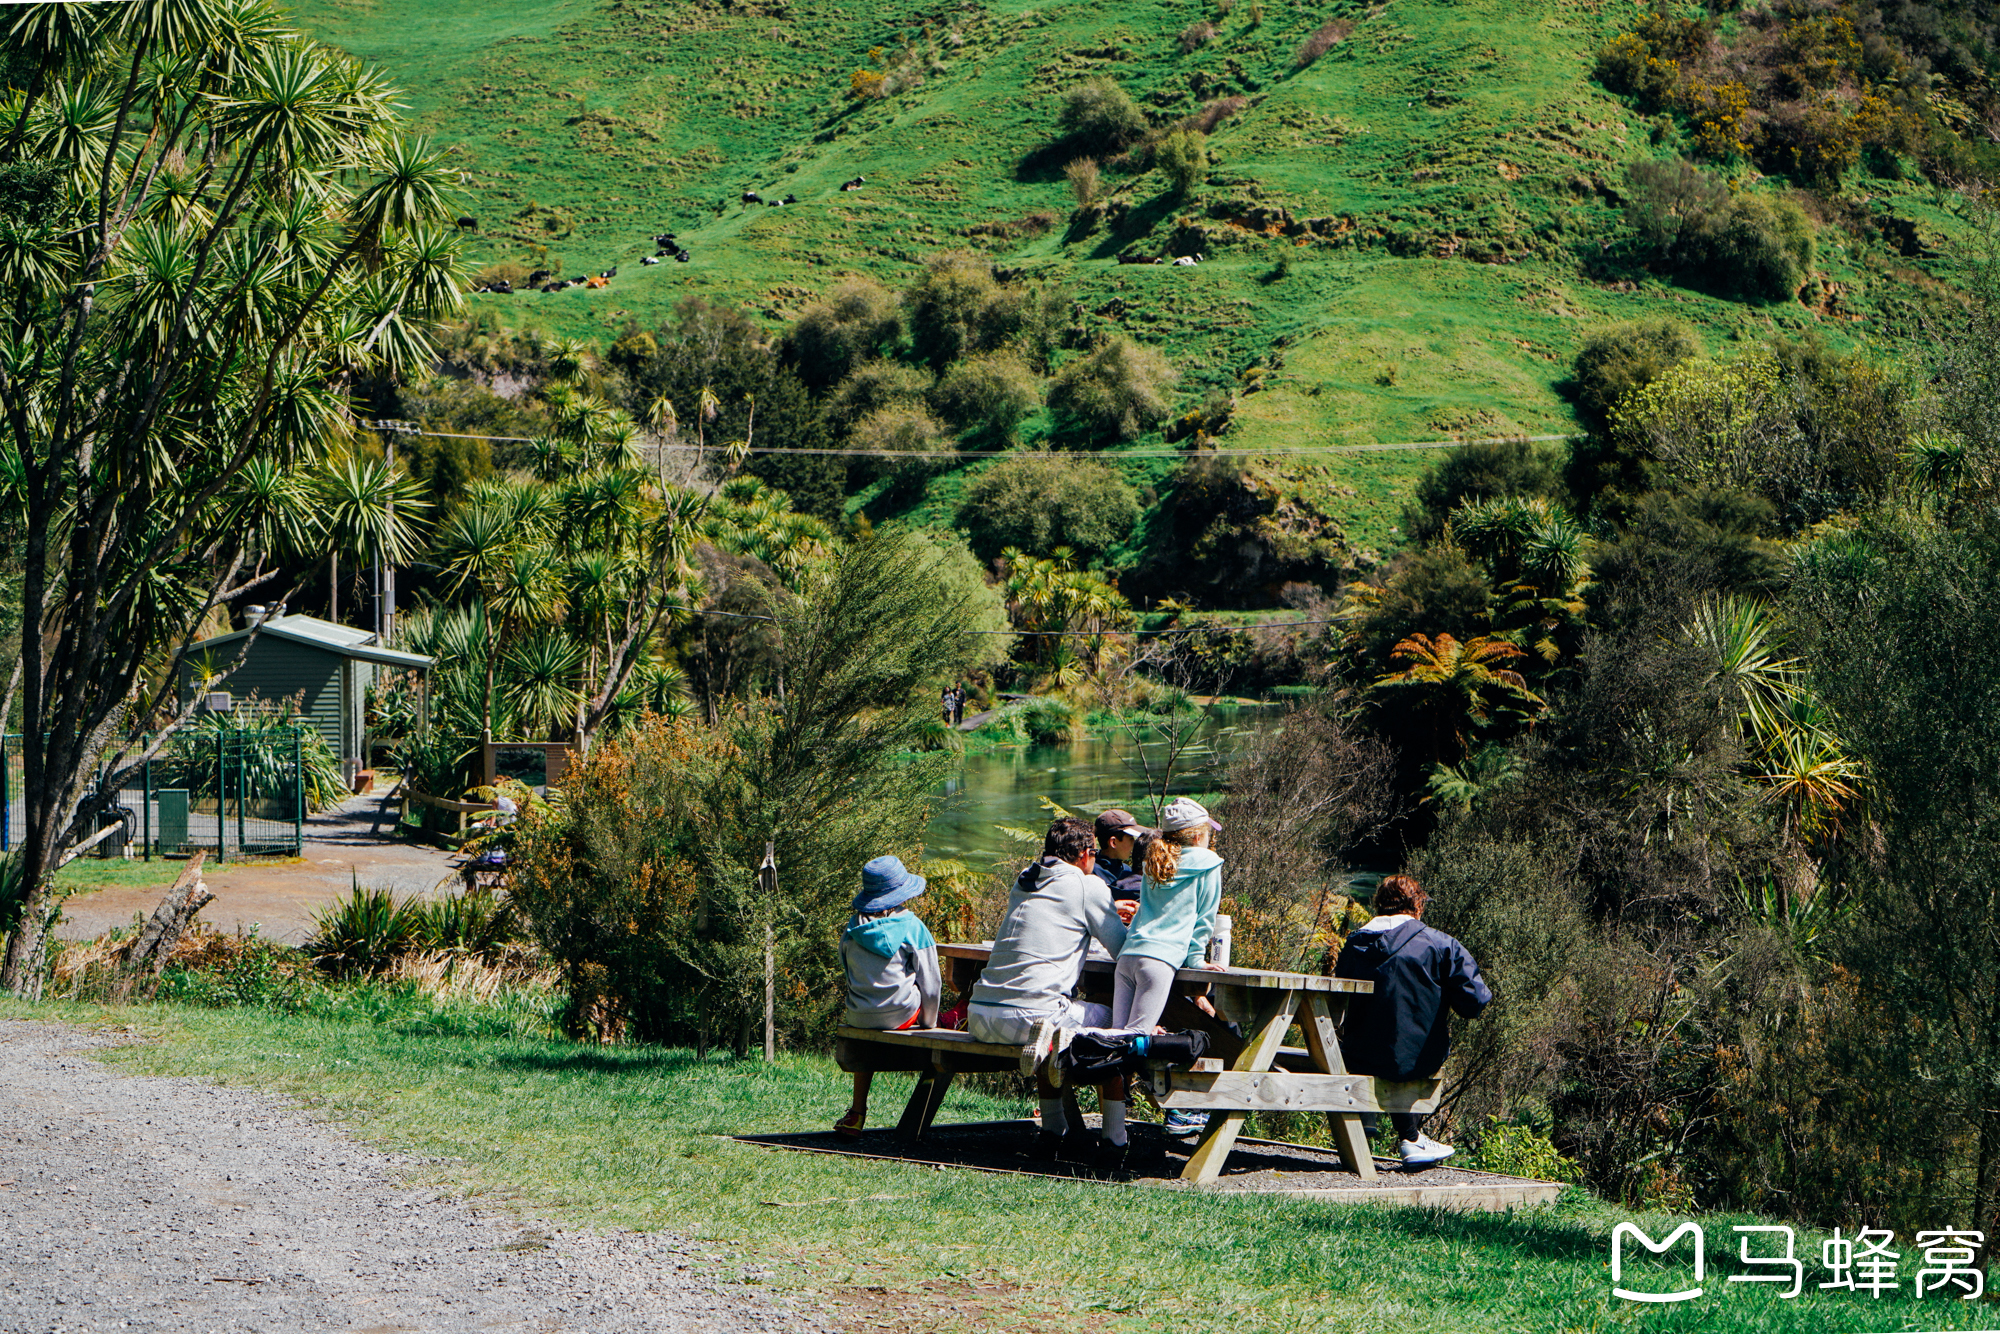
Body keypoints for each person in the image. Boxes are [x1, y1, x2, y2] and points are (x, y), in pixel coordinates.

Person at [967, 816, 1128, 1164]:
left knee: (1050, 1026)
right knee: (1119, 1027)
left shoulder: (1026, 879)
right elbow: (1123, 952)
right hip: (1031, 1015)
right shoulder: (1089, 886)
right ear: (1086, 854)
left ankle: (1054, 1131)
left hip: (980, 1015)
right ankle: (1116, 1141)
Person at [1331, 872, 1492, 1167]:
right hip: (1414, 1059)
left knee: (1381, 1032)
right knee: (1405, 1040)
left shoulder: (1354, 944)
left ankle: (1380, 1126)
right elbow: (1475, 1002)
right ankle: (1410, 1139)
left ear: (1379, 906)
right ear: (1417, 906)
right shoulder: (1440, 945)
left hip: (1356, 1056)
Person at [1108, 796, 1226, 1145]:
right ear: (1198, 834)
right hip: (1159, 962)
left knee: (1117, 1041)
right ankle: (1177, 1103)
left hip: (1129, 956)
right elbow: (1203, 921)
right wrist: (1195, 962)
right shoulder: (1208, 864)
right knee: (1134, 1042)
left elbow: (1145, 912)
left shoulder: (1154, 859)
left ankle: (1113, 1134)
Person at [835, 855, 946, 1139]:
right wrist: (929, 1023)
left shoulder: (852, 928)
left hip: (859, 1014)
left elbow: (848, 971)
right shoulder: (913, 926)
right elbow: (932, 984)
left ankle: (857, 1113)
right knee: (934, 999)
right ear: (901, 894)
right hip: (901, 1015)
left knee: (866, 1038)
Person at [1091, 808, 1146, 919]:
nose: (1134, 844)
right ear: (1114, 842)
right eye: (1131, 838)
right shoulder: (1092, 873)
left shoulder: (1126, 869)